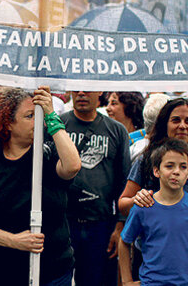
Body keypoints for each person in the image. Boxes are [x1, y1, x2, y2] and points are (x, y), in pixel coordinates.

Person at [0, 87, 81, 286]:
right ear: (8, 122)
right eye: (30, 116)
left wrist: (51, 115)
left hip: (51, 274)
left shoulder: (48, 156)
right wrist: (12, 240)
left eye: (39, 115)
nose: (38, 121)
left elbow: (73, 166)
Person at [118, 97, 188, 281]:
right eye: (176, 120)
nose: (182, 126)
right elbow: (123, 205)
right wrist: (135, 201)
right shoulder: (146, 160)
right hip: (152, 265)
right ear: (165, 124)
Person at [118, 138, 188, 286]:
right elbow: (124, 241)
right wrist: (126, 281)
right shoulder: (143, 207)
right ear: (156, 171)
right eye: (169, 166)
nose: (176, 172)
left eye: (183, 167)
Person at [61, 90, 132, 286]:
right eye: (77, 88)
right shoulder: (58, 126)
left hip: (101, 225)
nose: (81, 93)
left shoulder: (116, 130)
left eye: (87, 88)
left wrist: (120, 226)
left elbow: (124, 181)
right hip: (63, 222)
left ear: (99, 90)